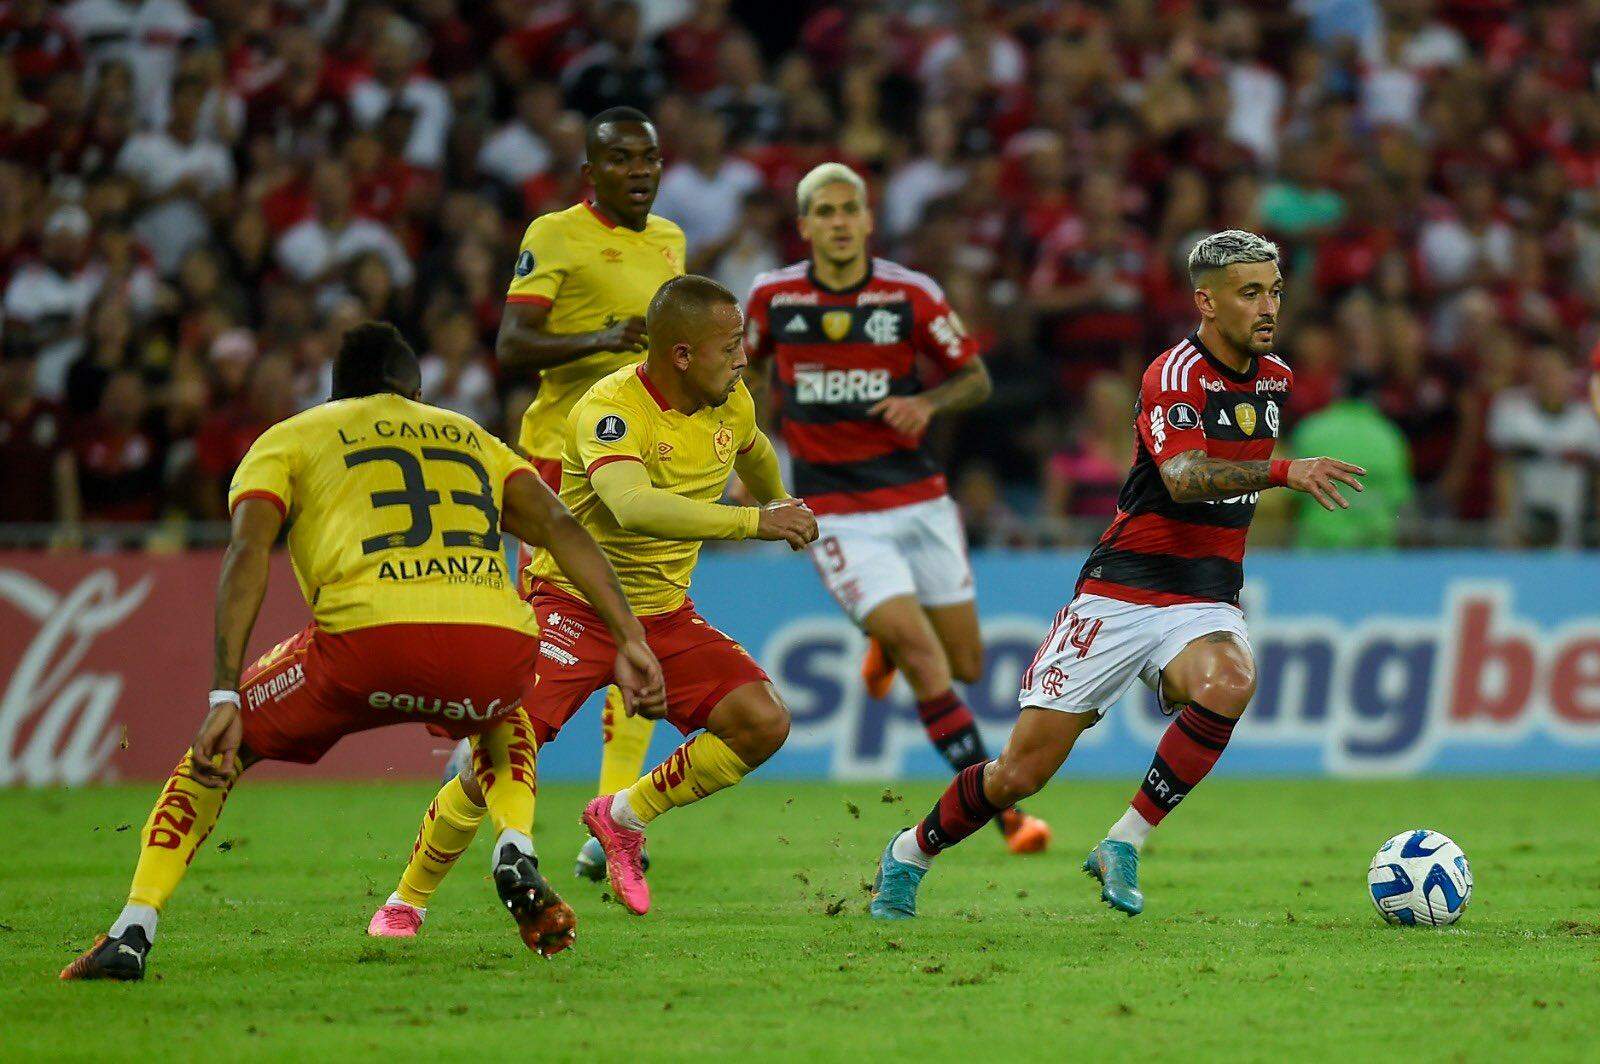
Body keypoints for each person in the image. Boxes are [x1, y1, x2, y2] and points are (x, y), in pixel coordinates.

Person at [61, 322, 662, 980]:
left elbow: (246, 553)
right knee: (504, 716)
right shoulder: (468, 435)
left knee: (215, 756)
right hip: (494, 639)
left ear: (336, 390)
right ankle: (514, 844)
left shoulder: (291, 436)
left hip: (363, 641)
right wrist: (629, 635)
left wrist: (225, 693)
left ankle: (133, 928)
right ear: (413, 389)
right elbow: (559, 527)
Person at [869, 231, 1367, 919]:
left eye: (1275, 291)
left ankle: (1123, 842)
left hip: (1204, 595)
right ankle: (909, 852)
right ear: (1206, 301)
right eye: (1250, 292)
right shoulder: (1174, 373)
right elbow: (1185, 477)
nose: (1267, 305)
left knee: (1231, 682)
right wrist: (1287, 471)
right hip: (1121, 591)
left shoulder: (1276, 379)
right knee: (1021, 774)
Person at [367, 276, 815, 929]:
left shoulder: (729, 400)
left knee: (763, 722)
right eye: (730, 346)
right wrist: (753, 525)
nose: (744, 357)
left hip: (663, 613)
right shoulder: (610, 409)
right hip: (572, 605)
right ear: (682, 355)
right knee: (500, 751)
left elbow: (751, 448)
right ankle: (408, 898)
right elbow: (630, 507)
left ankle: (624, 816)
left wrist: (776, 499)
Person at [745, 162, 1051, 854]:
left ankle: (884, 639)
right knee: (926, 658)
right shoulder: (772, 298)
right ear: (804, 226)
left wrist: (925, 401)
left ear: (869, 219)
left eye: (849, 208)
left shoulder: (910, 296)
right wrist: (752, 457)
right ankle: (1006, 816)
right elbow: (748, 375)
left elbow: (974, 378)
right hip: (835, 511)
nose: (839, 222)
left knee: (966, 661)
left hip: (919, 502)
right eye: (823, 211)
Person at [471, 105, 687, 883]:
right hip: (560, 461)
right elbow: (510, 344)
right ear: (592, 174)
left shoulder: (670, 243)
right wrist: (598, 338)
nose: (641, 171)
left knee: (638, 627)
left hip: (635, 461)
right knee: (553, 636)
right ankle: (487, 788)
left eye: (650, 157)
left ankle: (610, 821)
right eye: (623, 160)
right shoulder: (553, 234)